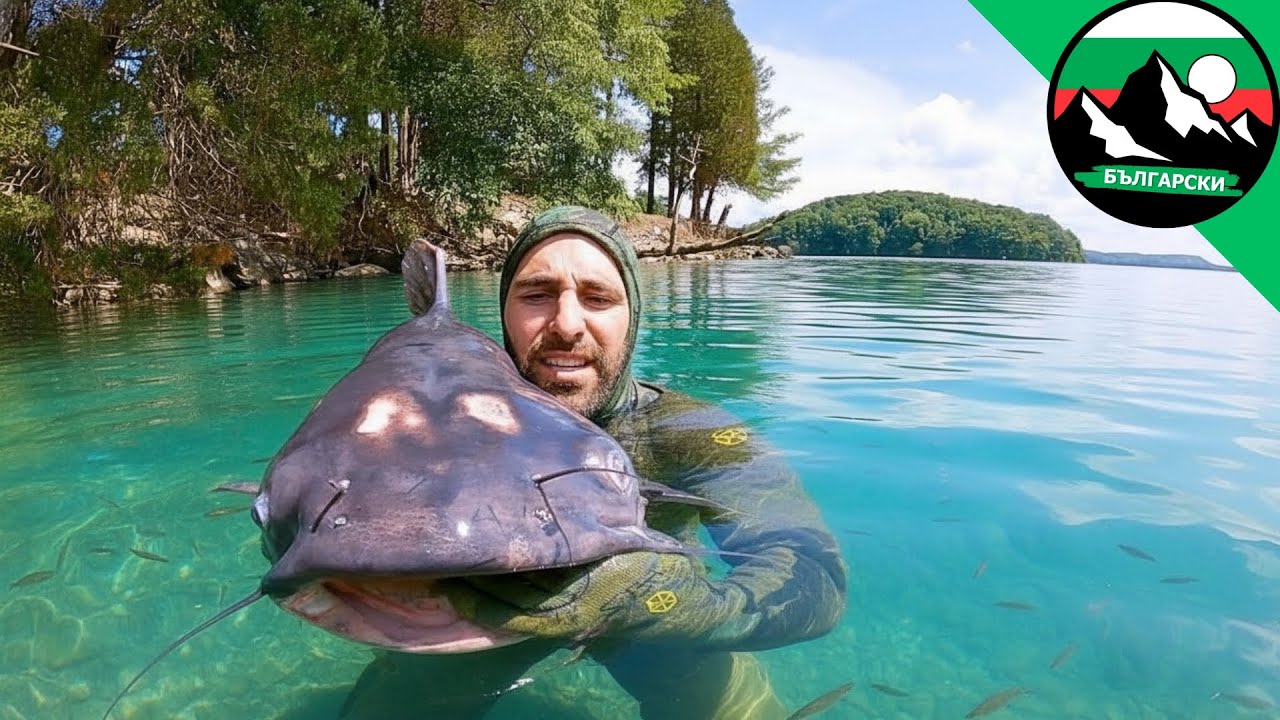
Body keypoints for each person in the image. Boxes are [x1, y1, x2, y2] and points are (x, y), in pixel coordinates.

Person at [338, 205, 848, 720]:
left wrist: (658, 598)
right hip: (486, 613)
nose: (566, 324)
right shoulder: (449, 423)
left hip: (656, 626)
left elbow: (815, 573)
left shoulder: (690, 432)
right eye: (537, 294)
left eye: (598, 298)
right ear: (504, 314)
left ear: (633, 317)